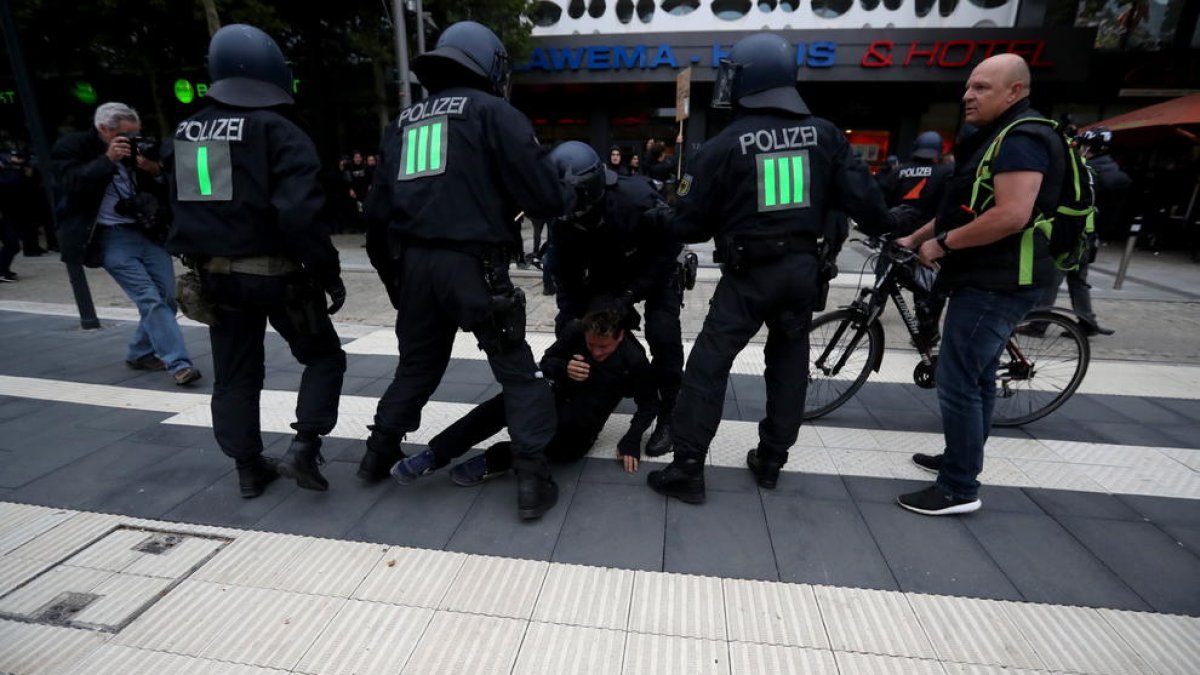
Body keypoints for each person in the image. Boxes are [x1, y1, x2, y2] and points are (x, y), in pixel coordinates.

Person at [644, 32, 905, 503]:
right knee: (787, 361)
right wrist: (897, 226)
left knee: (708, 365)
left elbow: (690, 226)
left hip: (748, 276)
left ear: (746, 79)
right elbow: (867, 205)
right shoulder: (825, 135)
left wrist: (664, 213)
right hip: (803, 272)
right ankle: (771, 460)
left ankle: (687, 468)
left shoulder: (723, 145)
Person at [361, 21, 573, 520]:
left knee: (416, 367)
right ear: (493, 67)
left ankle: (376, 456)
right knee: (518, 374)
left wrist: (397, 281)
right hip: (476, 269)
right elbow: (543, 197)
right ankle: (531, 481)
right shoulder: (495, 113)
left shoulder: (404, 123)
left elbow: (375, 217)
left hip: (414, 269)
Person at [165, 24, 347, 499]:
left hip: (214, 280)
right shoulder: (278, 130)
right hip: (277, 277)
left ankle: (248, 468)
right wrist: (328, 273)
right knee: (324, 357)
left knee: (235, 376)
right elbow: (301, 215)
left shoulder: (186, 131)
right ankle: (304, 447)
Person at [896, 54, 1063, 516]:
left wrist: (943, 245)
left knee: (959, 382)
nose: (968, 95)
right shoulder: (1000, 136)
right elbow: (968, 206)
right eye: (969, 86)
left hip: (998, 281)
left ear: (1016, 91)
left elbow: (1011, 214)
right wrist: (917, 236)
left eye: (983, 88)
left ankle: (958, 487)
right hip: (990, 277)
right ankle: (960, 458)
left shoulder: (1022, 139)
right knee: (980, 377)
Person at [392, 308, 659, 484]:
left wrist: (631, 440)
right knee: (504, 403)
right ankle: (435, 454)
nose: (596, 352)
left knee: (563, 450)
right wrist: (563, 368)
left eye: (604, 347)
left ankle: (494, 459)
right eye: (591, 345)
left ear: (621, 336)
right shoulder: (576, 330)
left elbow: (649, 403)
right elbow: (546, 362)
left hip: (579, 426)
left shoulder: (634, 360)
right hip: (553, 396)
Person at [547, 141, 684, 459]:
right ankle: (581, 395)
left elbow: (670, 246)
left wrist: (630, 296)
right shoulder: (562, 220)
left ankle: (670, 409)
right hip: (606, 274)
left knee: (663, 333)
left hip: (654, 272)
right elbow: (565, 277)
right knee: (569, 325)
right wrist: (573, 328)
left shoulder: (637, 199)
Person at [51, 102, 201, 386]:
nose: (132, 141)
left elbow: (168, 186)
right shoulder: (74, 147)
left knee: (167, 298)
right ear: (104, 130)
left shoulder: (139, 151)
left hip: (147, 230)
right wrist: (107, 160)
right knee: (149, 298)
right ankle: (179, 364)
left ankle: (140, 351)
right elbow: (70, 183)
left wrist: (154, 170)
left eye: (136, 134)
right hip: (109, 236)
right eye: (126, 135)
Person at [1028, 126, 1126, 337]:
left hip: (1075, 231)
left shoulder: (1086, 170)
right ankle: (1087, 321)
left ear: (1089, 146)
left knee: (1052, 276)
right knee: (1078, 278)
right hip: (1091, 235)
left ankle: (1038, 322)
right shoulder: (1114, 171)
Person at [879, 131, 954, 345]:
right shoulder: (945, 172)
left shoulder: (899, 171)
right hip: (929, 237)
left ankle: (876, 309)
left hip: (898, 237)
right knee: (926, 286)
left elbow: (882, 201)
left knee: (884, 276)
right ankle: (927, 330)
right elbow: (946, 209)